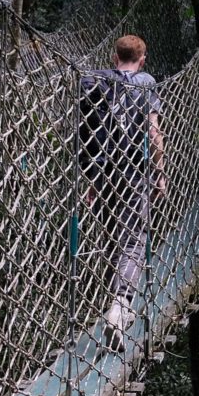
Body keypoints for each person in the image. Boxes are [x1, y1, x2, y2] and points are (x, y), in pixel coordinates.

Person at [79, 34, 166, 341]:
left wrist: (90, 179)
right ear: (142, 60)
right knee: (132, 242)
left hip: (102, 173)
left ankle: (115, 301)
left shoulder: (93, 81)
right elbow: (153, 131)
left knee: (113, 239)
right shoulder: (146, 82)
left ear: (114, 57)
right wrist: (160, 173)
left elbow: (87, 133)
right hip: (133, 173)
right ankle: (120, 305)